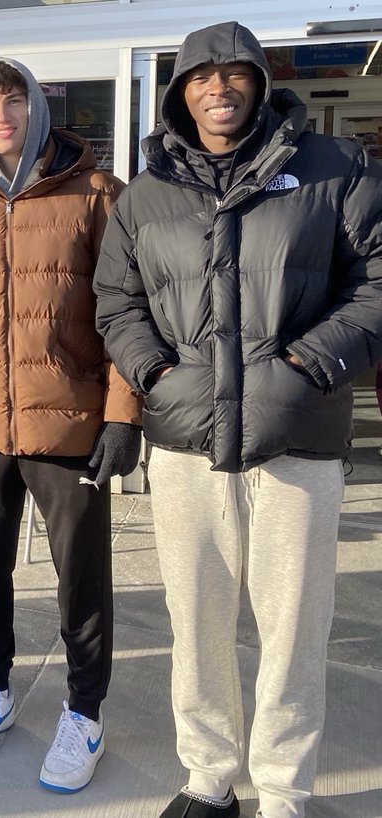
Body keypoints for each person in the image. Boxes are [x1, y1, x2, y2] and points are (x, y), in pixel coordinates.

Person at [93, 21, 382, 818]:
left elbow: (376, 283)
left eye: (232, 73)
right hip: (187, 442)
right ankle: (210, 776)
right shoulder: (146, 194)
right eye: (199, 76)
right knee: (198, 617)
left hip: (298, 437)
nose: (216, 87)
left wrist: (305, 367)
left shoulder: (336, 170)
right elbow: (116, 301)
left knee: (293, 627)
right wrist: (155, 373)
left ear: (257, 80)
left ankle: (284, 790)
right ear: (180, 92)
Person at [0, 58, 141, 793]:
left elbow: (125, 317)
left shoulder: (97, 197)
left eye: (13, 100)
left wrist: (121, 416)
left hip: (70, 425)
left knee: (81, 577)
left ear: (38, 108)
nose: (1, 115)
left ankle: (84, 712)